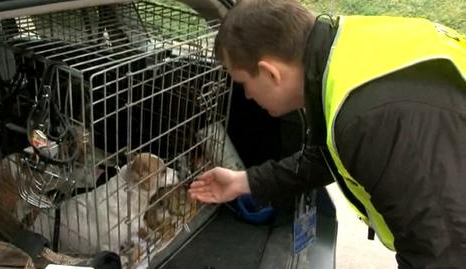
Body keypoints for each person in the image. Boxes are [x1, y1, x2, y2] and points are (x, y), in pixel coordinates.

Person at [188, 0, 466, 268]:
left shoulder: (370, 119)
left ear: (270, 73)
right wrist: (244, 182)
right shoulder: (342, 56)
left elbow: (444, 253)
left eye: (243, 83)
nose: (247, 95)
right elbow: (327, 156)